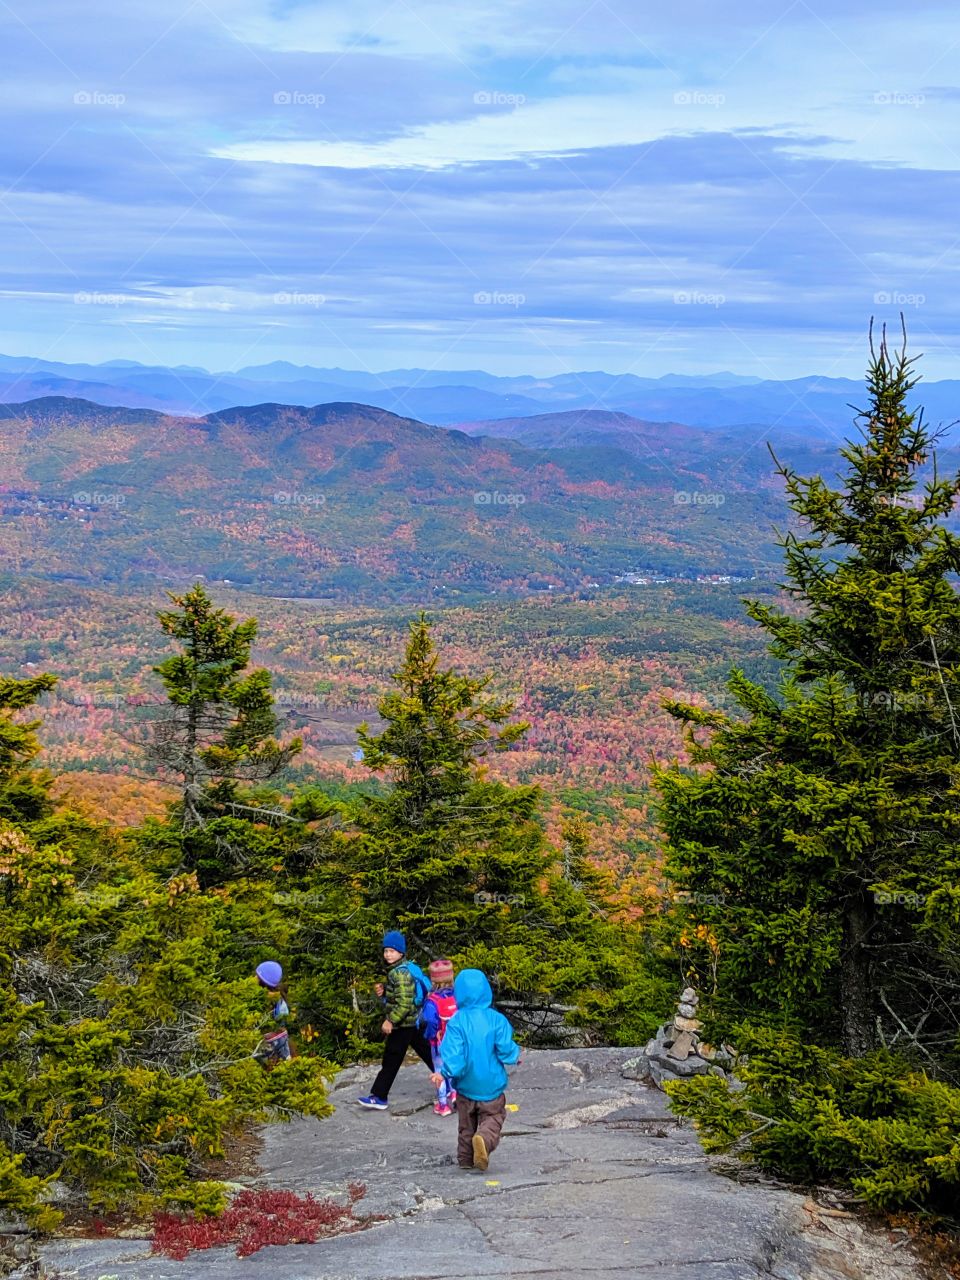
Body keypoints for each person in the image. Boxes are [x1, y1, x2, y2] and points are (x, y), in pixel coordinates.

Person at [432, 968, 521, 1171]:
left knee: (466, 1125)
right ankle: (484, 1139)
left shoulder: (456, 1022)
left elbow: (454, 1056)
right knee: (493, 1117)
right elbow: (505, 1048)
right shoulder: (496, 1020)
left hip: (465, 1086)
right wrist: (515, 1056)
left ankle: (465, 1159)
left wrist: (443, 1073)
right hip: (491, 1085)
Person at [357, 931, 432, 1109]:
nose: (388, 954)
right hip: (412, 1022)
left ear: (401, 952)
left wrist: (390, 1020)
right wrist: (385, 991)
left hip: (403, 1024)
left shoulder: (399, 974)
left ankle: (379, 1096)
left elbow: (404, 1003)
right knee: (428, 1053)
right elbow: (400, 995)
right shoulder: (401, 970)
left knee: (391, 1059)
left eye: (392, 951)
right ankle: (453, 1084)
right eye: (385, 951)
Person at [419, 958, 458, 1116]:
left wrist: (429, 1036)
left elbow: (429, 1021)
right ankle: (456, 1094)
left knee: (439, 1070)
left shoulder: (432, 1001)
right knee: (454, 1067)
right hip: (456, 1041)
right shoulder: (457, 996)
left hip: (439, 1042)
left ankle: (443, 1105)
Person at [254, 959, 292, 1067]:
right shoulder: (279, 997)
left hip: (267, 1045)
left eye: (256, 976)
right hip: (282, 1041)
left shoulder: (261, 1000)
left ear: (262, 981)